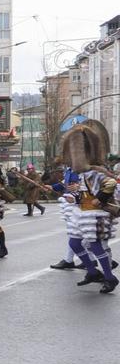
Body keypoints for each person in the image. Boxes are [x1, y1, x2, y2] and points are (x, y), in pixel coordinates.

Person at [59, 122, 120, 292]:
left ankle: (109, 277)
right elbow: (87, 193)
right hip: (82, 213)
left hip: (95, 215)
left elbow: (110, 182)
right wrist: (76, 196)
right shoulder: (84, 174)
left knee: (95, 245)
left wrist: (99, 199)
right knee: (75, 243)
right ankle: (93, 272)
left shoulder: (95, 171)